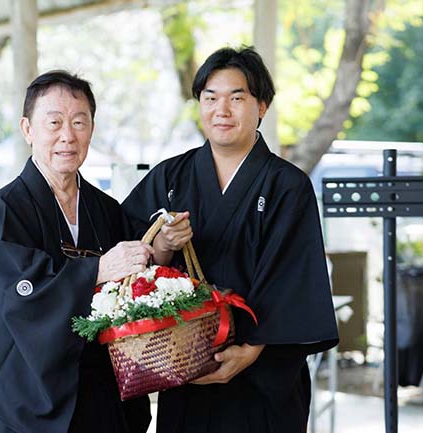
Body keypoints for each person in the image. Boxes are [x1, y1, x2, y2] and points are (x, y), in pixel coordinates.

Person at [122, 47, 339, 433]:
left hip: (263, 381)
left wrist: (251, 350)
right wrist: (165, 245)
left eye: (236, 98)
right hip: (186, 375)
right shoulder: (171, 178)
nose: (222, 110)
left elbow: (294, 281)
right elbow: (124, 254)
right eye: (210, 98)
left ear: (262, 106)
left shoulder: (288, 186)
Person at [0, 71, 152, 433]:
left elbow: (135, 279)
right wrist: (97, 271)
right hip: (34, 391)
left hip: (101, 388)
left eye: (78, 122)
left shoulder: (105, 208)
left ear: (91, 129)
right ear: (28, 130)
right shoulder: (6, 211)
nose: (67, 136)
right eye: (53, 122)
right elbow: (24, 297)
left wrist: (159, 244)